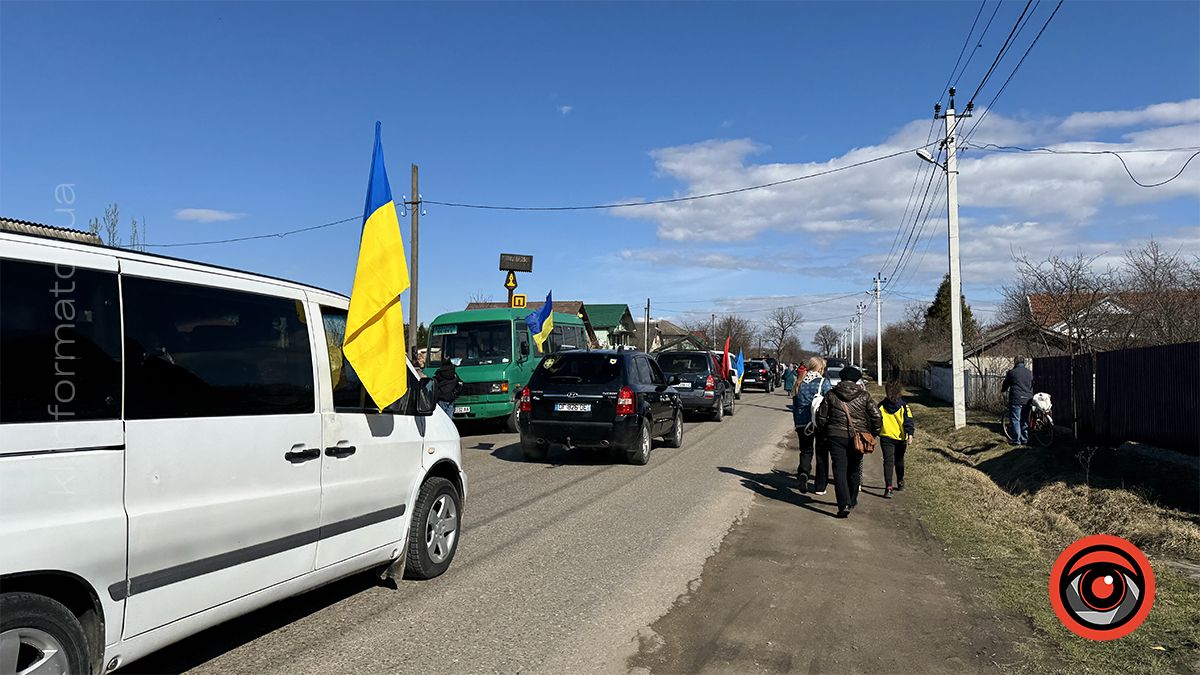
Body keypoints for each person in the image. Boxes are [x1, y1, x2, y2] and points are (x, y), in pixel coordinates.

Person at [816, 365, 882, 518]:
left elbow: (821, 417)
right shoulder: (864, 396)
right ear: (857, 380)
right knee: (854, 468)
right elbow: (877, 416)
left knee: (839, 470)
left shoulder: (831, 394)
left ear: (842, 378)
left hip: (835, 436)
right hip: (858, 437)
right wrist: (873, 434)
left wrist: (826, 432)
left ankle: (843, 504)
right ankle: (852, 500)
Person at [792, 356, 833, 495]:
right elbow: (830, 401)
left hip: (802, 422)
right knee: (821, 454)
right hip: (819, 422)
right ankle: (820, 486)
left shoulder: (799, 382)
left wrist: (797, 422)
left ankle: (804, 472)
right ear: (820, 369)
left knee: (806, 450)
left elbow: (795, 404)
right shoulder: (823, 382)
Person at [878, 381, 915, 498]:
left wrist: (874, 433)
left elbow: (876, 421)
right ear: (899, 391)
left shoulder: (881, 405)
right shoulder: (904, 406)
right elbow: (909, 421)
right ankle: (900, 481)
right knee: (899, 460)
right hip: (900, 438)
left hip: (885, 437)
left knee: (888, 462)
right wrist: (910, 434)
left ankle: (888, 488)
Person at [1001, 356, 1033, 445]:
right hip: (1027, 399)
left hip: (1016, 399)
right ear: (1023, 362)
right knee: (1024, 420)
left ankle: (1016, 440)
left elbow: (1006, 384)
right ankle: (1024, 438)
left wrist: (1003, 390)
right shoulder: (1029, 373)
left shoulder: (1012, 373)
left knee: (1015, 419)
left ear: (1015, 362)